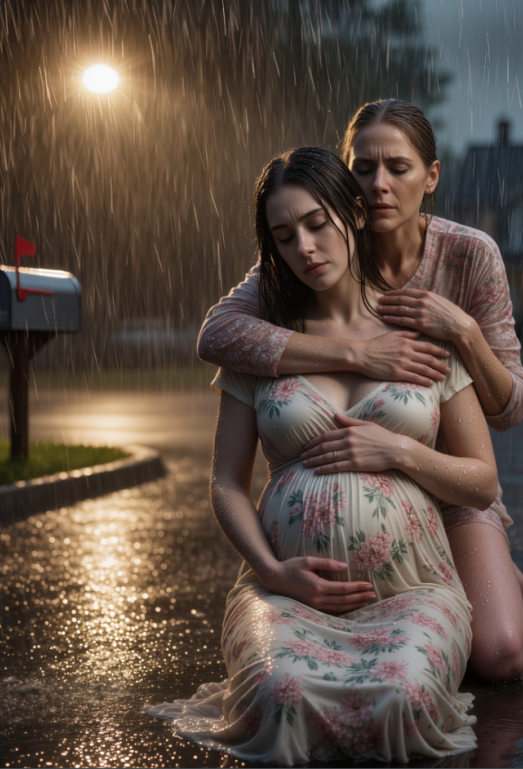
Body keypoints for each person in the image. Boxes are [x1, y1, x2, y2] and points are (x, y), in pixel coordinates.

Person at [148, 147, 499, 763]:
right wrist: (270, 571)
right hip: (286, 592)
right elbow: (226, 482)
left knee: (403, 697)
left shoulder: (424, 336)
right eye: (284, 237)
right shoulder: (262, 344)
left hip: (412, 589)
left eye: (316, 224)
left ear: (355, 215)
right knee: (280, 695)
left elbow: (482, 482)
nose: (304, 248)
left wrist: (399, 450)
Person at [198, 99, 523, 680]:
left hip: (447, 476)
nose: (379, 184)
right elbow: (218, 334)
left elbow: (508, 411)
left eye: (398, 168)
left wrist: (463, 331)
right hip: (340, 518)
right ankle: (477, 574)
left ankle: (482, 561)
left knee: (500, 652)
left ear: (431, 177)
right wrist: (356, 351)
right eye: (362, 168)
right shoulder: (309, 248)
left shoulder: (467, 254)